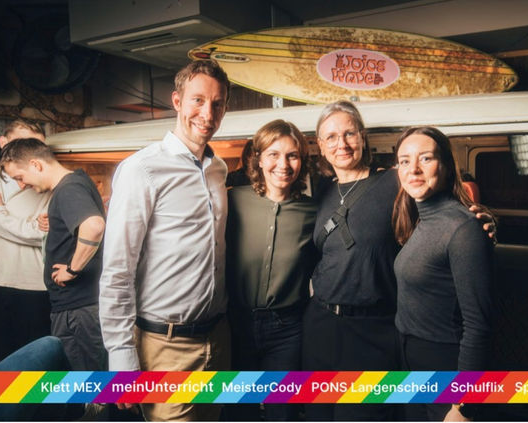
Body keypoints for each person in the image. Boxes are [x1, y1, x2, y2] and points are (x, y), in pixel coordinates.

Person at [302, 101, 495, 421]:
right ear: (320, 146)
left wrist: (481, 221)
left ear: (363, 137)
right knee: (316, 415)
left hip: (373, 329)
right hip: (320, 323)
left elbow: (441, 205)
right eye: (331, 137)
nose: (342, 144)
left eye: (349, 133)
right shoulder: (320, 192)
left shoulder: (395, 182)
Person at [99, 59, 230, 422]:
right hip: (163, 348)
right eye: (198, 100)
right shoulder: (141, 170)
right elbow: (117, 270)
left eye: (217, 103)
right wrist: (121, 356)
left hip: (218, 340)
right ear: (176, 101)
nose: (208, 113)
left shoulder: (219, 170)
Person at [392, 127, 494, 421]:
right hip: (411, 362)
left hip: (445, 367)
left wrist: (463, 405)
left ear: (447, 166)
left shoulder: (464, 229)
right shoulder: (420, 218)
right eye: (405, 161)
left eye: (426, 158)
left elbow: (478, 326)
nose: (414, 169)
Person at [225, 120, 317, 421]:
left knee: (283, 412)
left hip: (287, 329)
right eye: (274, 154)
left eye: (292, 156)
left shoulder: (314, 211)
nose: (283, 164)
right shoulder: (231, 200)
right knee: (239, 413)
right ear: (259, 159)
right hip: (235, 325)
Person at [0, 138, 107, 372]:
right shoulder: (76, 182)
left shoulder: (69, 189)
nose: (22, 185)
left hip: (77, 309)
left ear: (36, 165)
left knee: (86, 383)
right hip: (78, 307)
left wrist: (73, 269)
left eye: (20, 177)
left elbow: (94, 226)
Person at [0, 119, 51, 363]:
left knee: (37, 358)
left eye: (36, 146)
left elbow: (46, 233)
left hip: (34, 284)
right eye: (22, 143)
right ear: (3, 142)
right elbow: (33, 229)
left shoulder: (48, 182)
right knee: (4, 357)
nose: (30, 153)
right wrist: (29, 224)